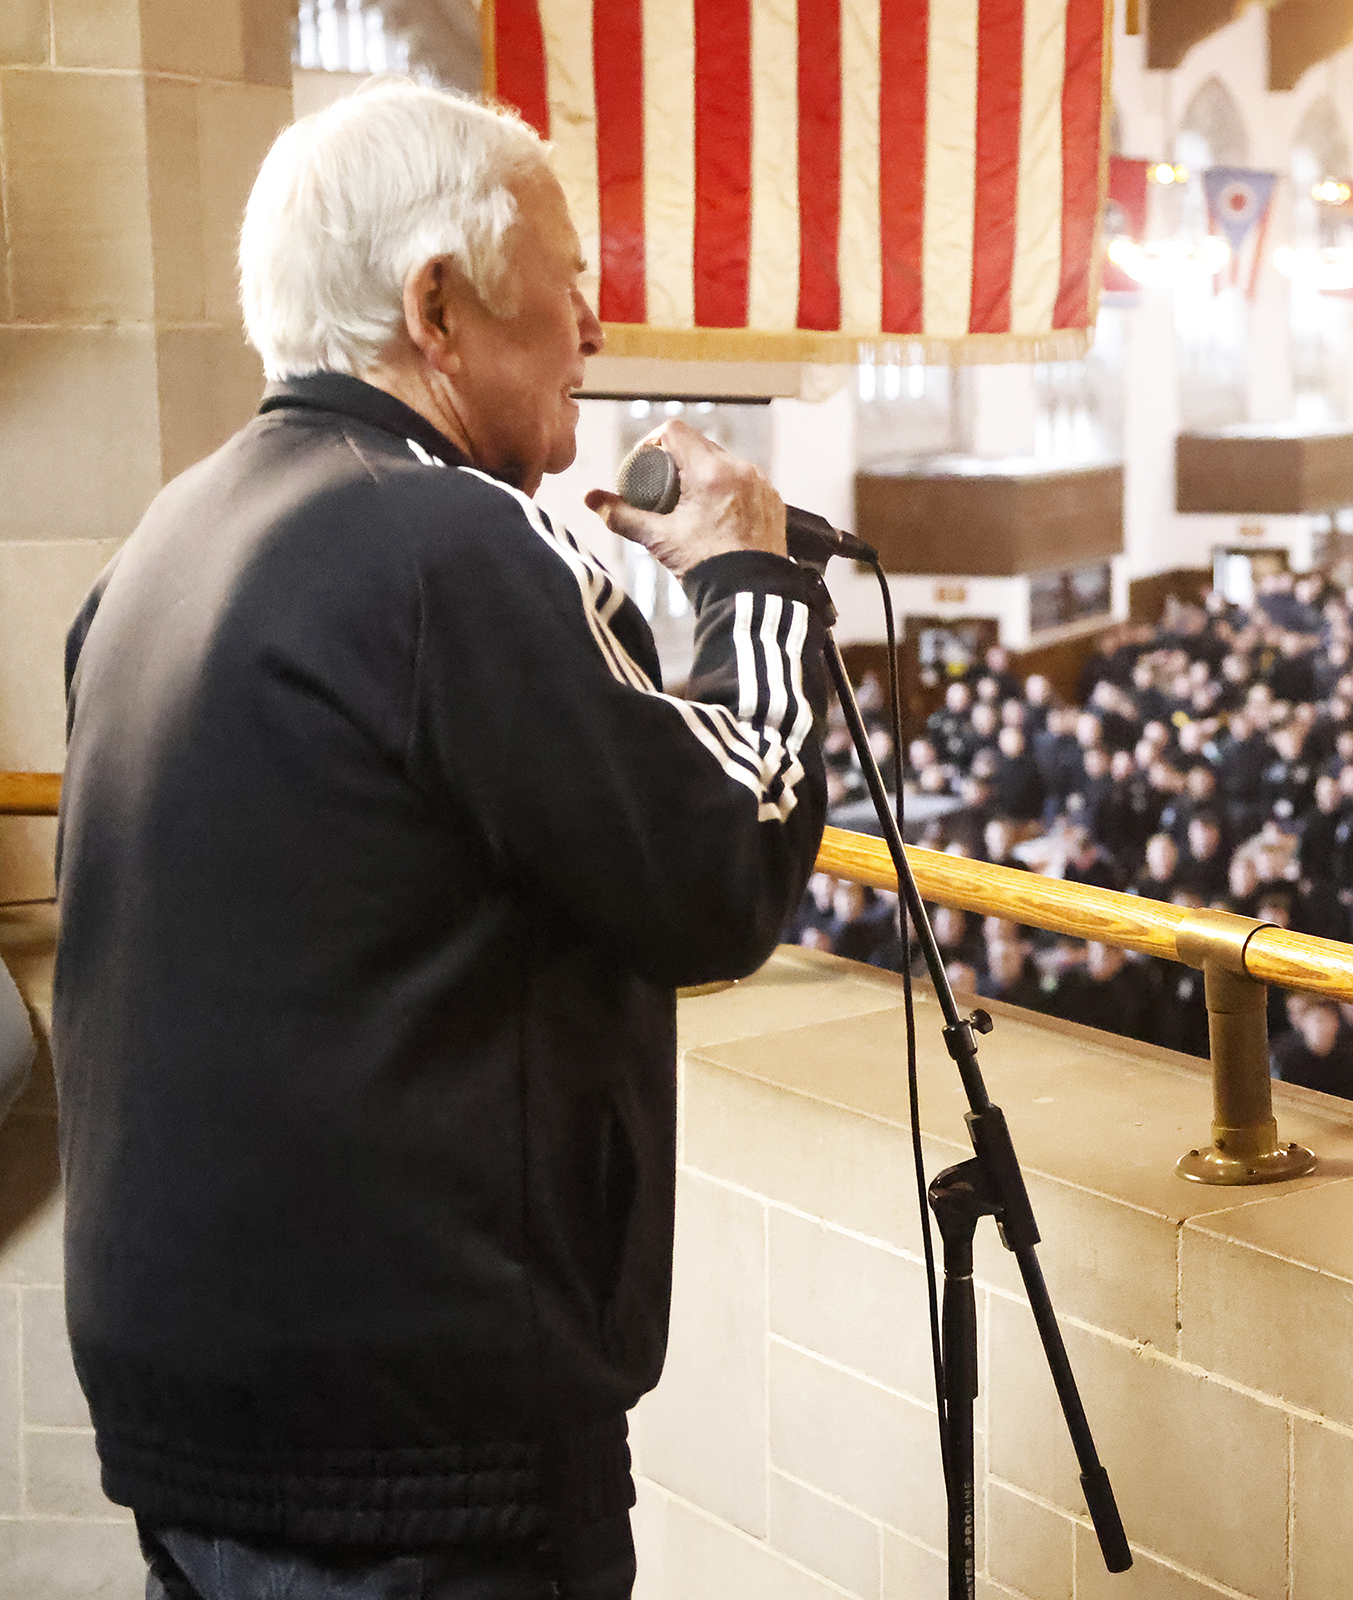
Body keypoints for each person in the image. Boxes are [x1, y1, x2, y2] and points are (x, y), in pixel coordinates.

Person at [52, 85, 831, 1600]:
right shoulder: (448, 537)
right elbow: (724, 864)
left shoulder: (167, 539)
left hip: (197, 1430)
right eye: (568, 286)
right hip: (424, 1459)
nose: (595, 330)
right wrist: (752, 585)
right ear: (440, 306)